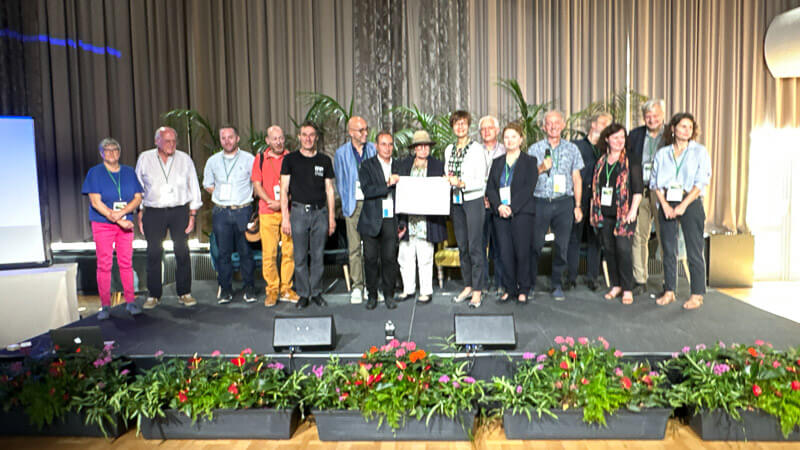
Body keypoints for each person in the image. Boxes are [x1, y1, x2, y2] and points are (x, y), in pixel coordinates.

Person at [135, 126, 202, 309]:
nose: (171, 144)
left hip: (179, 211)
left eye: (174, 141)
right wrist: (139, 212)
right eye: (167, 141)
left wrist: (193, 213)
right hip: (153, 211)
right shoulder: (145, 158)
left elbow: (193, 186)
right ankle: (154, 294)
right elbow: (137, 187)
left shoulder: (184, 159)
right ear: (157, 141)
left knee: (182, 251)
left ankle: (184, 293)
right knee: (154, 253)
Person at [650, 113, 711, 310]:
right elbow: (654, 183)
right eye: (683, 126)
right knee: (668, 249)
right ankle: (669, 291)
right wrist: (665, 206)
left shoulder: (699, 152)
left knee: (694, 250)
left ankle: (697, 294)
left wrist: (684, 205)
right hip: (667, 201)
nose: (687, 130)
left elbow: (701, 182)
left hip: (690, 201)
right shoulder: (662, 153)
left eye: (690, 127)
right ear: (673, 128)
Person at [82, 138, 144, 319]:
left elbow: (138, 198)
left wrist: (122, 214)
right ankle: (105, 305)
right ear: (101, 153)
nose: (111, 153)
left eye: (115, 149)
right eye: (107, 150)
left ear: (120, 151)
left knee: (126, 263)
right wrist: (117, 219)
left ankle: (130, 302)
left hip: (125, 222)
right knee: (104, 265)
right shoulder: (95, 173)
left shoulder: (129, 172)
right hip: (103, 224)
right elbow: (95, 202)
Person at [527, 110, 584, 301]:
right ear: (543, 127)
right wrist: (542, 167)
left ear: (562, 125)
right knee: (534, 245)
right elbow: (527, 177)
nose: (553, 126)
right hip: (540, 202)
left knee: (562, 246)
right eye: (549, 123)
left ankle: (557, 284)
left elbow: (576, 178)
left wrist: (577, 205)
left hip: (564, 203)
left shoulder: (572, 149)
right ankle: (530, 284)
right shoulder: (534, 149)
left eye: (556, 123)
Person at [280, 121, 336, 309]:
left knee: (318, 255)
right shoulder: (290, 160)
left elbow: (329, 190)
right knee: (300, 256)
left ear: (316, 138)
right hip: (297, 213)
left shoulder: (324, 160)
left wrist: (331, 218)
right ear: (299, 137)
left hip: (320, 213)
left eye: (311, 135)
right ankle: (303, 293)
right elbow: (284, 189)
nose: (308, 138)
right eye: (304, 134)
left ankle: (317, 292)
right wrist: (285, 218)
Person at [589, 124, 643, 305]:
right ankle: (616, 285)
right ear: (607, 139)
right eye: (615, 138)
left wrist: (633, 210)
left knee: (623, 250)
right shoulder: (601, 161)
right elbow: (596, 190)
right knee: (609, 250)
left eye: (622, 137)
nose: (619, 141)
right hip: (604, 213)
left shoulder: (631, 160)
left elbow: (637, 189)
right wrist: (593, 211)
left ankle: (627, 288)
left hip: (624, 214)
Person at [203, 125, 256, 304]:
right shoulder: (212, 161)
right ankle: (225, 289)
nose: (227, 141)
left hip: (243, 210)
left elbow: (256, 184)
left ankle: (249, 288)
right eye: (223, 138)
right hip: (221, 212)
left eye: (230, 137)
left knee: (245, 252)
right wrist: (221, 194)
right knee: (223, 253)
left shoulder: (249, 159)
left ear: (237, 138)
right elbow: (208, 184)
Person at [486, 123, 538, 303]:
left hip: (522, 213)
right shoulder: (497, 162)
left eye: (513, 137)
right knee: (505, 252)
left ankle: (523, 288)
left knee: (522, 252)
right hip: (500, 213)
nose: (509, 140)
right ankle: (509, 288)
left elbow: (528, 188)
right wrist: (499, 206)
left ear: (521, 139)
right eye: (506, 137)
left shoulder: (530, 162)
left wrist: (512, 208)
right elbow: (490, 188)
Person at [396, 130, 448, 303]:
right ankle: (408, 289)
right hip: (408, 219)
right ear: (414, 148)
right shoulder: (404, 165)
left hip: (427, 220)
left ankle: (426, 290)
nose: (423, 149)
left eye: (426, 146)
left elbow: (441, 189)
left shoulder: (437, 165)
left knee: (425, 256)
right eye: (420, 146)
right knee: (405, 255)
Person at [251, 125, 300, 307]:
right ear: (268, 140)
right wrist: (270, 201)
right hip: (267, 211)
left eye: (281, 138)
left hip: (288, 211)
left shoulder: (292, 158)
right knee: (269, 253)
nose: (279, 142)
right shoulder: (260, 159)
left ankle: (286, 288)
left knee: (289, 251)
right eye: (275, 139)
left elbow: (297, 185)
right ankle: (272, 289)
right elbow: (257, 185)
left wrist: (282, 202)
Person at [445, 110, 487, 308]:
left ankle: (478, 290)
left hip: (473, 200)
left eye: (463, 123)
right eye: (456, 123)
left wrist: (462, 183)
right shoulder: (449, 149)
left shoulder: (477, 149)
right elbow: (448, 174)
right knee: (462, 247)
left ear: (468, 125)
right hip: (456, 202)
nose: (460, 127)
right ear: (452, 127)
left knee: (475, 247)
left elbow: (481, 180)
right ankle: (468, 285)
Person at [567, 112, 612, 291]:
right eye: (603, 123)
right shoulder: (576, 146)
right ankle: (570, 276)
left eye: (609, 124)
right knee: (574, 237)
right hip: (578, 197)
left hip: (600, 199)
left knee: (596, 239)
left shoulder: (607, 149)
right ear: (593, 124)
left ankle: (593, 277)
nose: (606, 126)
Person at [334, 116, 376, 304]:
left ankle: (371, 286)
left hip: (371, 203)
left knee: (371, 248)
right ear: (351, 132)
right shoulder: (341, 153)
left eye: (366, 129)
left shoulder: (373, 149)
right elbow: (341, 182)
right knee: (354, 248)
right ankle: (358, 286)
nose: (365, 133)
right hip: (353, 204)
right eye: (361, 130)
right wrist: (346, 205)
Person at [357, 132, 401, 310]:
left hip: (391, 218)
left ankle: (389, 294)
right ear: (376, 146)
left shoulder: (398, 165)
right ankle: (372, 295)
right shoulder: (367, 165)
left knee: (389, 258)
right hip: (370, 219)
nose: (387, 148)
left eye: (390, 144)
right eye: (383, 144)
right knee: (370, 259)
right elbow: (368, 191)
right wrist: (388, 184)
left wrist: (402, 222)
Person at [627, 99, 666, 295]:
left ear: (662, 116)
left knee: (664, 236)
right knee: (638, 237)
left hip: (663, 194)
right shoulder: (634, 135)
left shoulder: (671, 135)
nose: (652, 119)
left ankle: (669, 281)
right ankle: (640, 280)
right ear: (644, 118)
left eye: (655, 116)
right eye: (648, 116)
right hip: (640, 191)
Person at [479, 115, 507, 296]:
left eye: (490, 128)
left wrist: (495, 199)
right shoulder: (474, 151)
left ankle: (500, 282)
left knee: (499, 246)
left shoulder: (506, 150)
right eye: (483, 129)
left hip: (499, 205)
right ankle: (482, 283)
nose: (487, 131)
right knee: (480, 246)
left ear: (497, 131)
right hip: (479, 204)